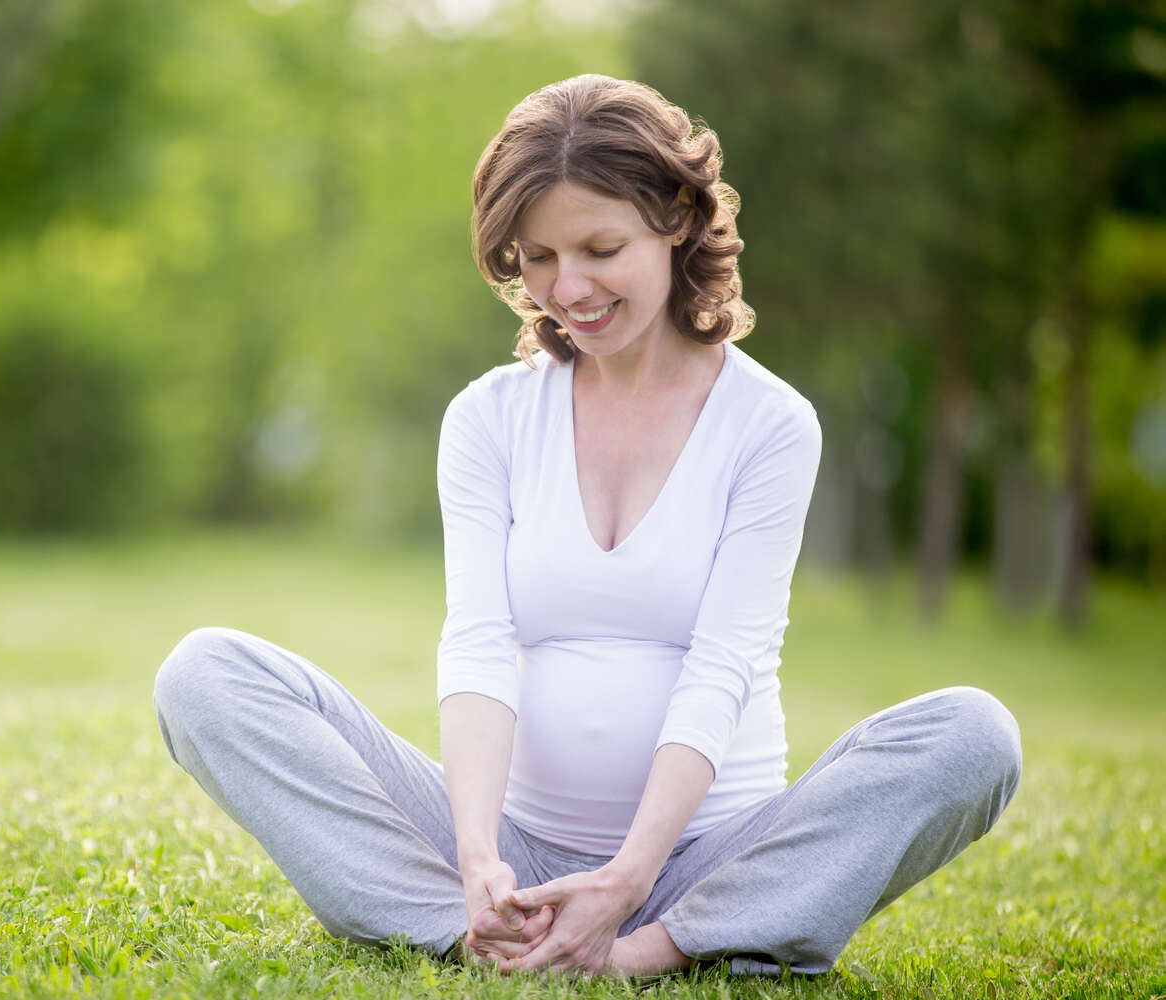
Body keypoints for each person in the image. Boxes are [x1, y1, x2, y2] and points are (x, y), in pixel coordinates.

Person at [152, 74, 1022, 978]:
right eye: (535, 258)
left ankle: (649, 951)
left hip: (705, 863)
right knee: (206, 674)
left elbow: (724, 665)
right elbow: (480, 643)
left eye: (601, 248)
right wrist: (480, 856)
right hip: (514, 854)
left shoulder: (769, 424)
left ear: (678, 219)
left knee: (973, 735)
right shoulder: (489, 417)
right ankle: (479, 929)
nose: (568, 288)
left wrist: (627, 882)